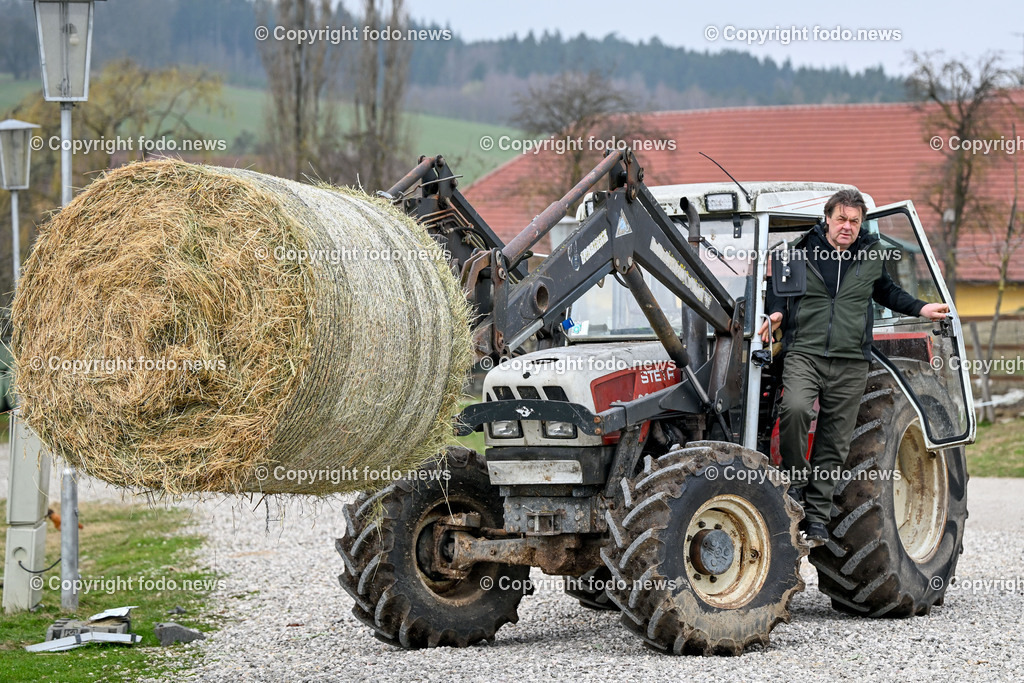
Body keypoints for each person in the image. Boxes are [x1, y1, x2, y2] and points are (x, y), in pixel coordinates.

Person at [758, 189, 948, 545]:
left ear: (861, 224)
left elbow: (887, 292)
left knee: (834, 442)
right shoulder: (797, 252)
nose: (847, 227)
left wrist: (921, 308)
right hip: (806, 353)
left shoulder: (872, 254)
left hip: (851, 360)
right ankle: (796, 484)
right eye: (841, 219)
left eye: (854, 221)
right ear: (827, 218)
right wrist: (775, 314)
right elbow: (777, 296)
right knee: (795, 409)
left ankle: (815, 519)